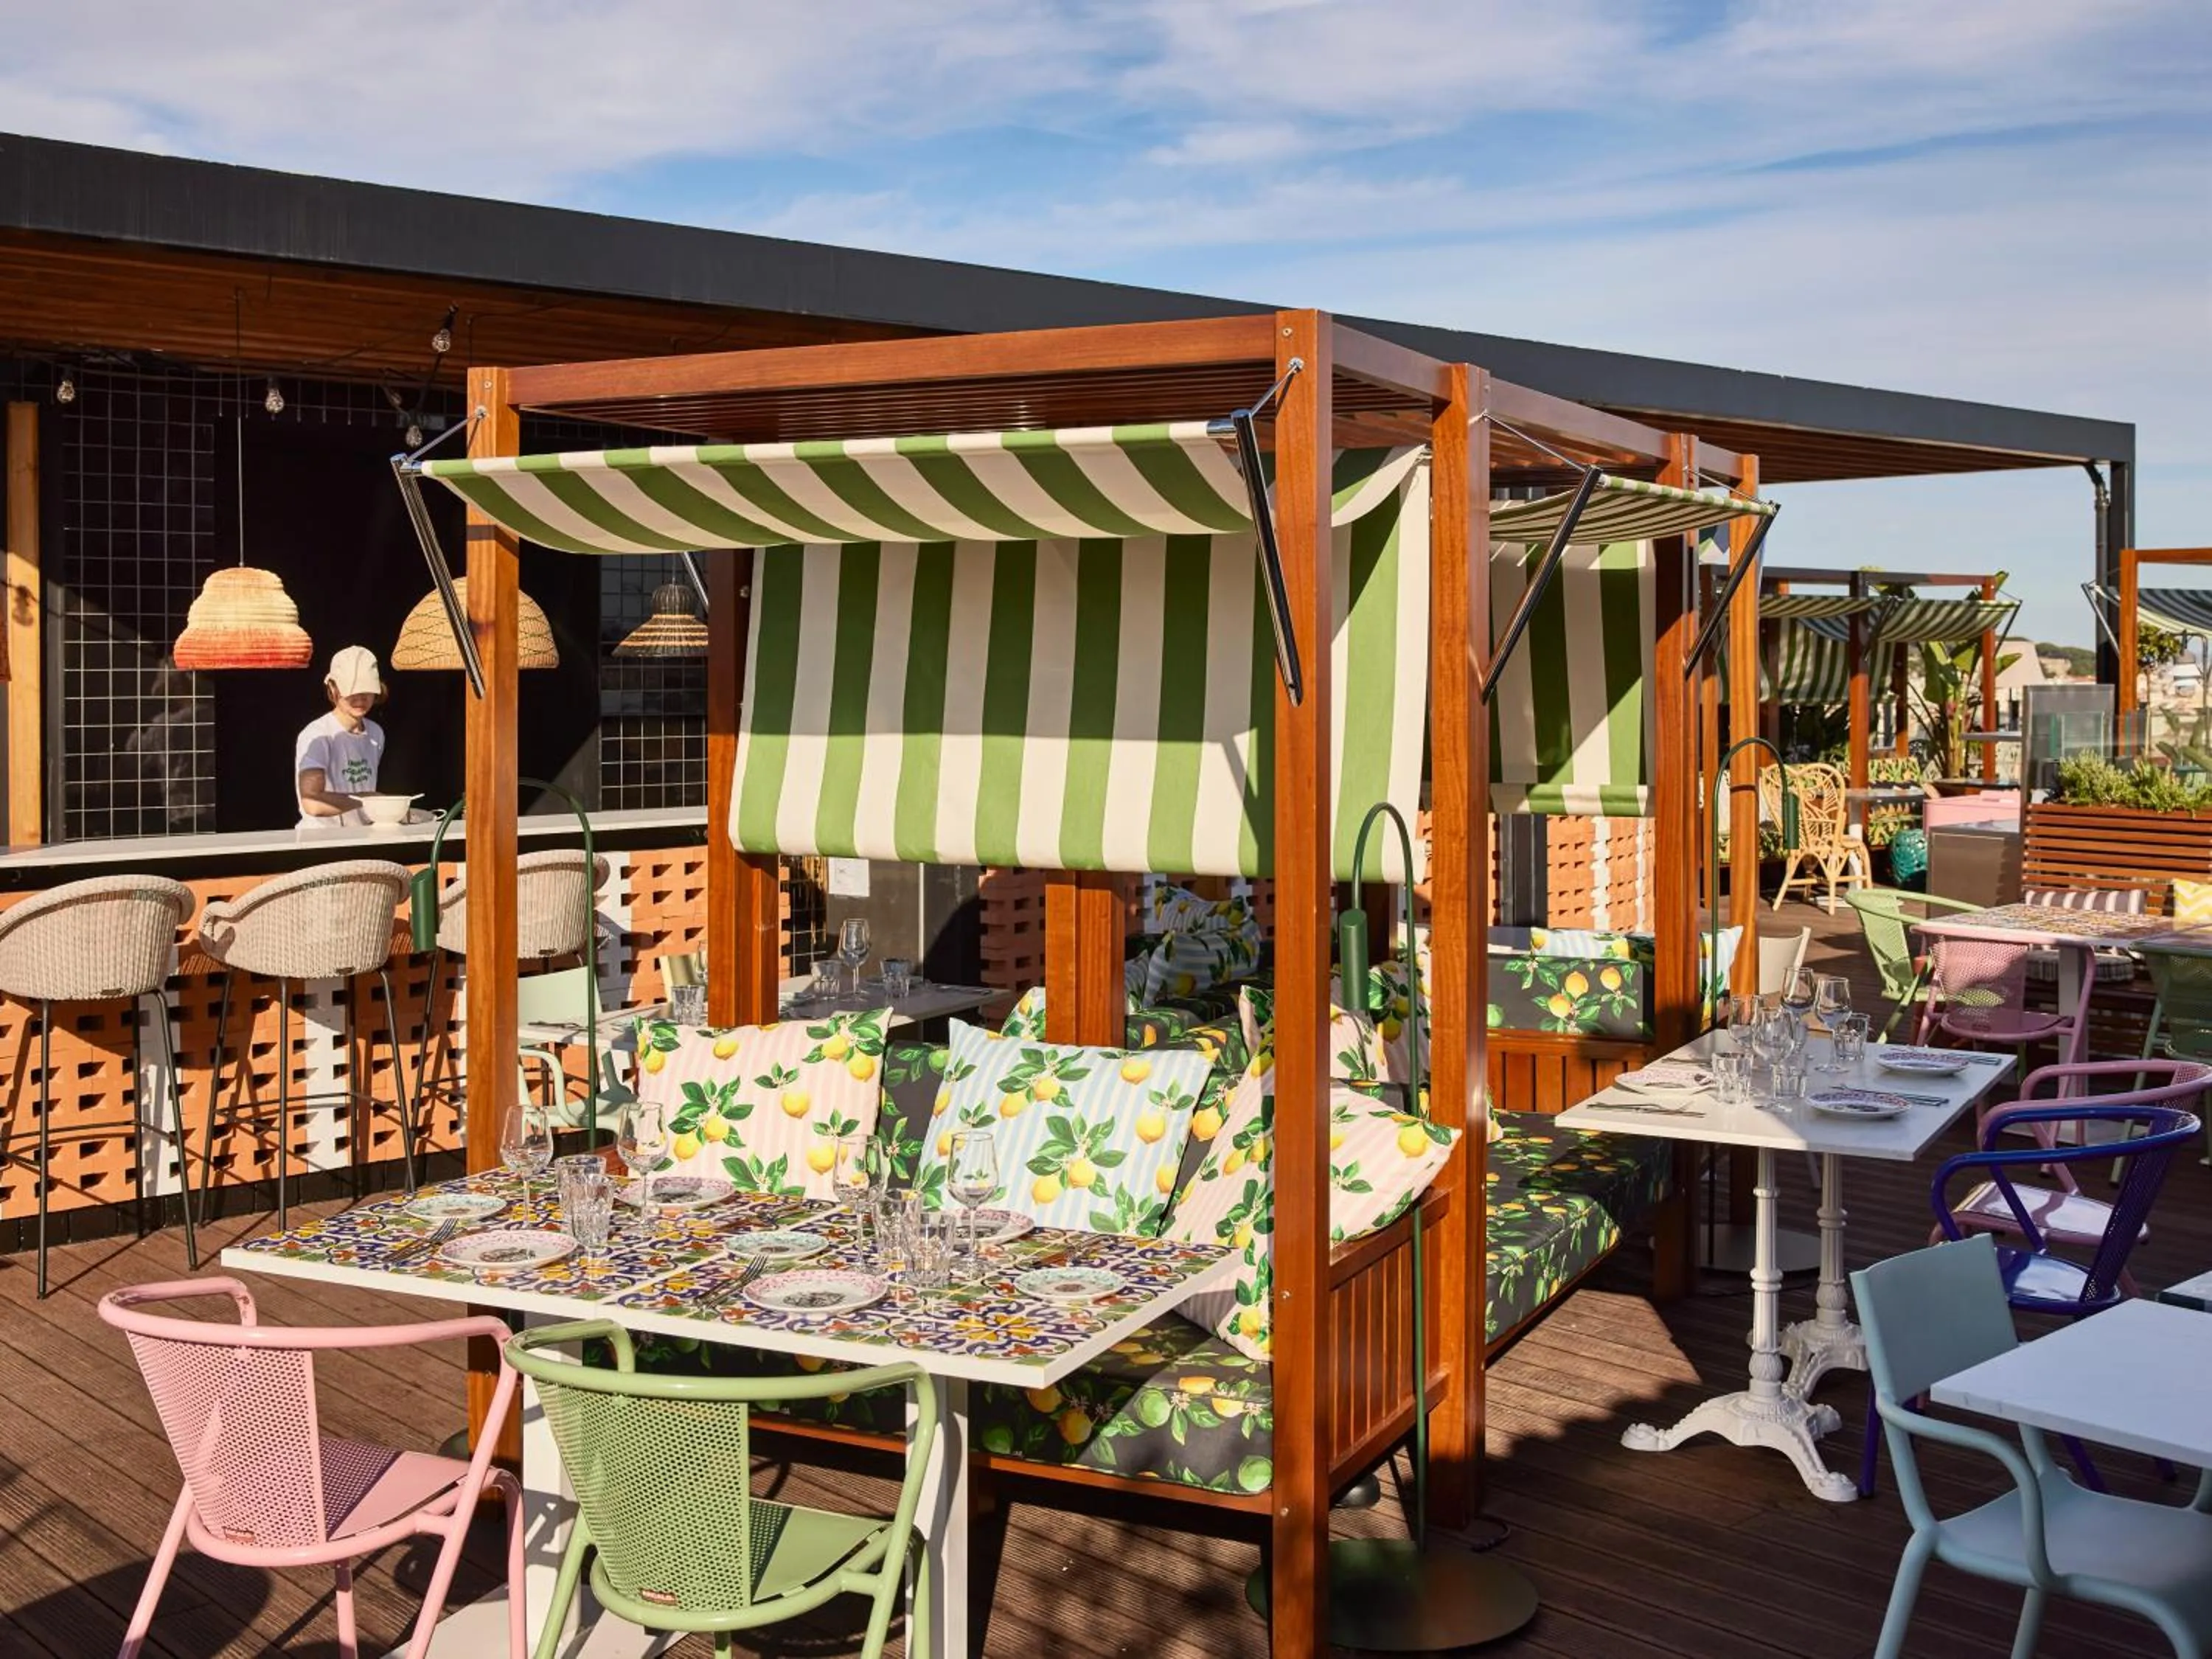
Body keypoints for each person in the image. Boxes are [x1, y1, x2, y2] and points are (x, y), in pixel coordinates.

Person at [295, 646, 387, 827]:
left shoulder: (376, 733)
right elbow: (312, 803)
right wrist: (368, 800)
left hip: (361, 836)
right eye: (351, 692)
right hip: (321, 841)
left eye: (366, 691)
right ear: (332, 687)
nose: (360, 699)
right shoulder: (317, 734)